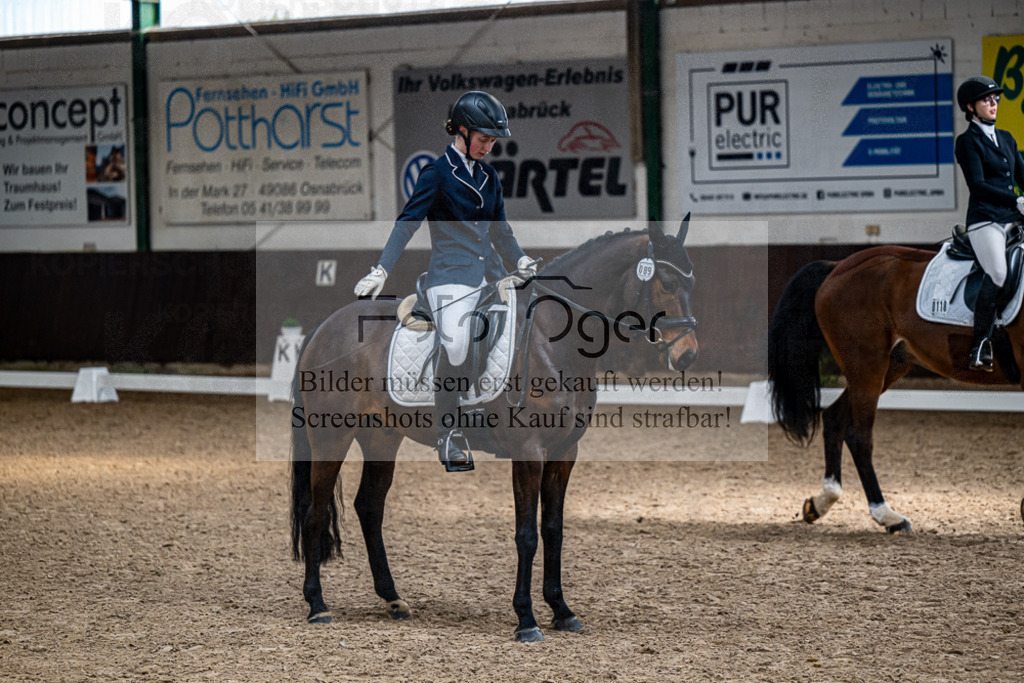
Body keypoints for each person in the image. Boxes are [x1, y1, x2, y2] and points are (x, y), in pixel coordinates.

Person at [354, 90, 536, 469]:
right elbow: (408, 223)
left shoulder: (489, 177)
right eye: (484, 139)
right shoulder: (436, 174)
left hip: (490, 277)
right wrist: (381, 269)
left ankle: (495, 416)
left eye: (492, 141)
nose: (489, 147)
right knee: (456, 346)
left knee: (521, 331)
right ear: (463, 132)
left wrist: (519, 260)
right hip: (450, 277)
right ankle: (448, 432)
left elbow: (501, 231)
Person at [954, 75, 1024, 371]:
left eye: (996, 98)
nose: (994, 103)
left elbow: (1021, 176)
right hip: (986, 221)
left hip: (1013, 217)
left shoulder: (1007, 138)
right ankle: (980, 343)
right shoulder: (967, 142)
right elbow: (978, 186)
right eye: (987, 99)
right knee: (997, 272)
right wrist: (1016, 201)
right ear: (971, 107)